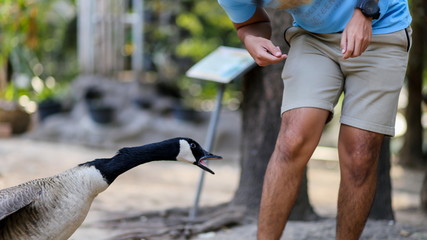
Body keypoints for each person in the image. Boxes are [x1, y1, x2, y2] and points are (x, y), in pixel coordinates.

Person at [217, 0, 412, 239]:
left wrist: (365, 12)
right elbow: (251, 23)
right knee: (292, 141)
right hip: (313, 37)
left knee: (360, 154)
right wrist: (251, 38)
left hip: (382, 28)